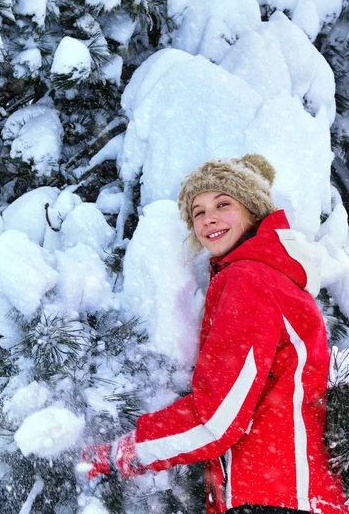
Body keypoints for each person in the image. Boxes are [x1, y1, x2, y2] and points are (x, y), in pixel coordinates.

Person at [81, 154, 348, 514]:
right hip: (290, 491)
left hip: (274, 493)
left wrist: (125, 451)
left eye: (224, 203)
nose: (209, 218)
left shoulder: (249, 278)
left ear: (254, 211)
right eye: (197, 212)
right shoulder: (272, 278)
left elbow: (217, 418)